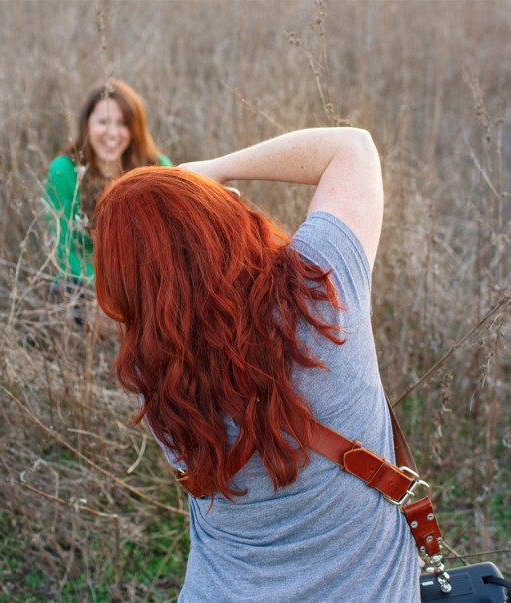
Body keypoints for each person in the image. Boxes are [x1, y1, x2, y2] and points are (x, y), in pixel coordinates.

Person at [92, 128, 420, 601]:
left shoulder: (151, 373)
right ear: (223, 218)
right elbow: (352, 147)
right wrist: (209, 172)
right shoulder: (321, 289)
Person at [42, 79, 173, 291]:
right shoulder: (64, 170)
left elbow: (169, 243)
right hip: (83, 287)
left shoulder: (157, 167)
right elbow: (65, 250)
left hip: (146, 287)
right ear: (87, 123)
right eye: (103, 122)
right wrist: (107, 294)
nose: (112, 133)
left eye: (123, 123)